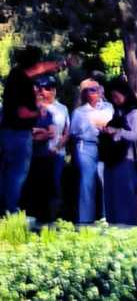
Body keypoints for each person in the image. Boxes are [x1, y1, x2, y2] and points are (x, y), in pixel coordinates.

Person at [0, 46, 61, 214]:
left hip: (8, 133)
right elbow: (22, 112)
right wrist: (38, 112)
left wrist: (61, 64)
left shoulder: (15, 75)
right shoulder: (22, 83)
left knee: (7, 173)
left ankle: (6, 210)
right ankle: (10, 211)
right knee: (17, 174)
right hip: (18, 134)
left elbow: (45, 67)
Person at [24, 79, 69, 222]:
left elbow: (60, 132)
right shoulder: (32, 109)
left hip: (55, 153)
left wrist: (56, 146)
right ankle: (33, 215)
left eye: (47, 88)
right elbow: (29, 133)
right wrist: (39, 132)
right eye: (40, 89)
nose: (43, 91)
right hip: (35, 153)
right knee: (33, 185)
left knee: (54, 185)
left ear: (54, 90)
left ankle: (53, 217)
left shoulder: (61, 109)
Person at [101, 77, 137, 226]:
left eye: (116, 96)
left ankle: (126, 227)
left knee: (124, 197)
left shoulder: (134, 113)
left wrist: (118, 131)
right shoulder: (117, 112)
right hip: (111, 159)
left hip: (126, 159)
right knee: (111, 195)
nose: (115, 100)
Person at [69, 78, 110, 223]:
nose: (96, 92)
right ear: (85, 93)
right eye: (91, 90)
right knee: (87, 183)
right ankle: (85, 220)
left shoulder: (108, 107)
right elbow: (73, 133)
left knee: (105, 181)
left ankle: (106, 217)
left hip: (105, 146)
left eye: (97, 88)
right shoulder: (79, 112)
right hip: (86, 147)